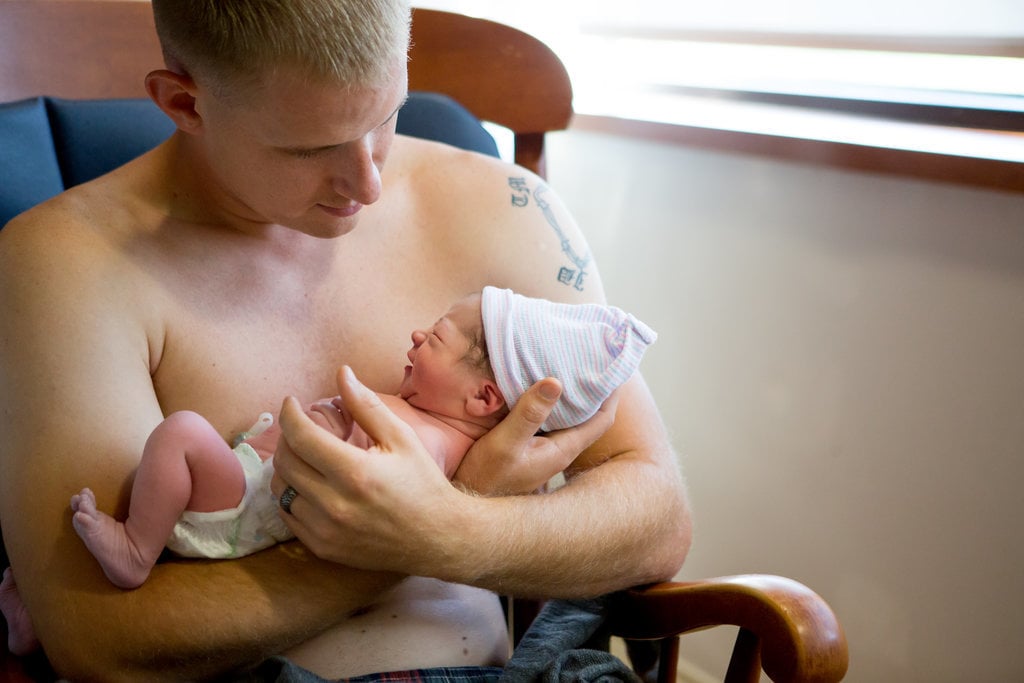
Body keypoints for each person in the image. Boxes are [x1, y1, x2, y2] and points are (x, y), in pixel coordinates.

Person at [0, 0, 692, 680]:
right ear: (185, 104)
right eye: (312, 147)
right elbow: (99, 642)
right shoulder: (70, 262)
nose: (368, 181)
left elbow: (657, 515)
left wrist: (454, 526)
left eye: (386, 115)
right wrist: (410, 539)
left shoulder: (502, 207)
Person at [1, 286, 656, 653]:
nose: (415, 338)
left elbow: (387, 497)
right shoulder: (433, 422)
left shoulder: (427, 441)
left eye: (437, 339)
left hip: (258, 507)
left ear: (484, 398)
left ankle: (135, 549)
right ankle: (31, 614)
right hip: (260, 497)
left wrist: (338, 432)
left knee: (179, 434)